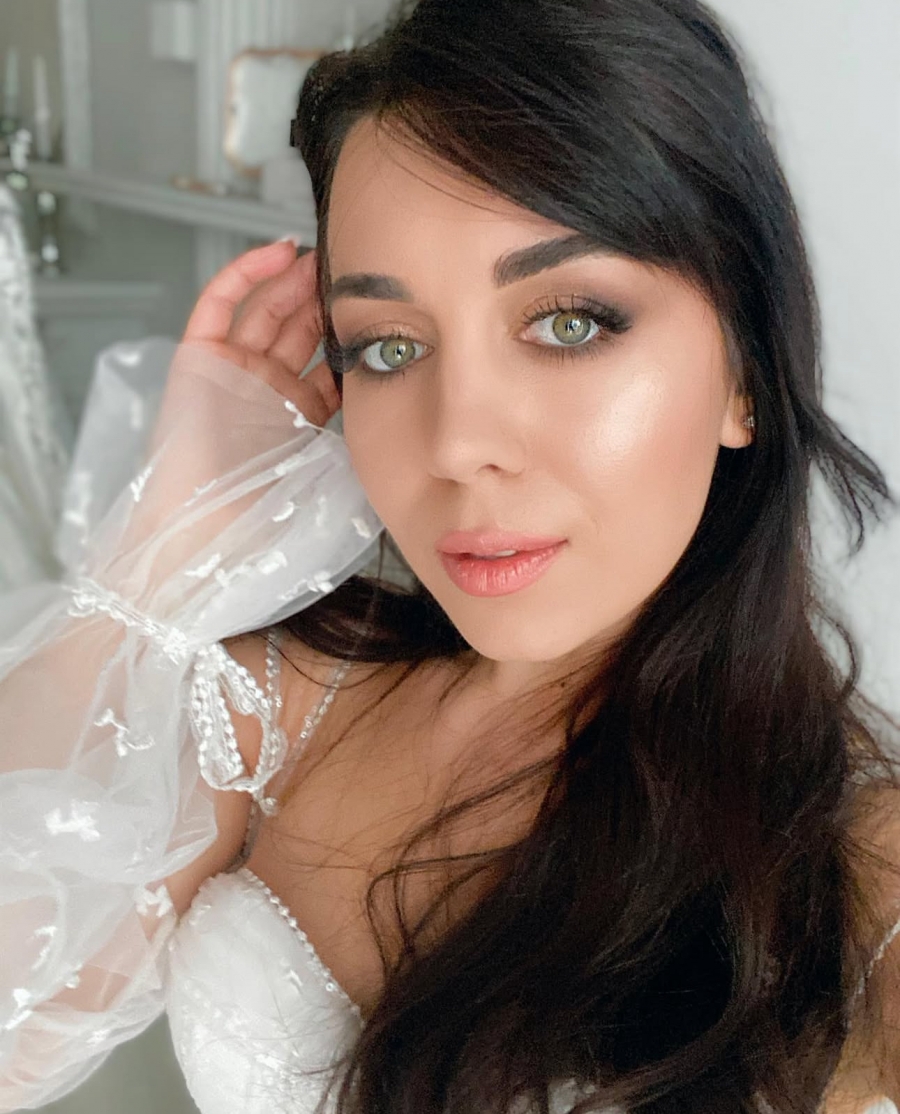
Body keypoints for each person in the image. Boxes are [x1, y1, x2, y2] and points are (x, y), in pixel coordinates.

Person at [2, 0, 900, 1112]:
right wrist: (162, 552)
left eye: (569, 322)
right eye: (387, 347)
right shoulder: (280, 702)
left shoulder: (858, 874)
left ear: (745, 375)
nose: (456, 442)